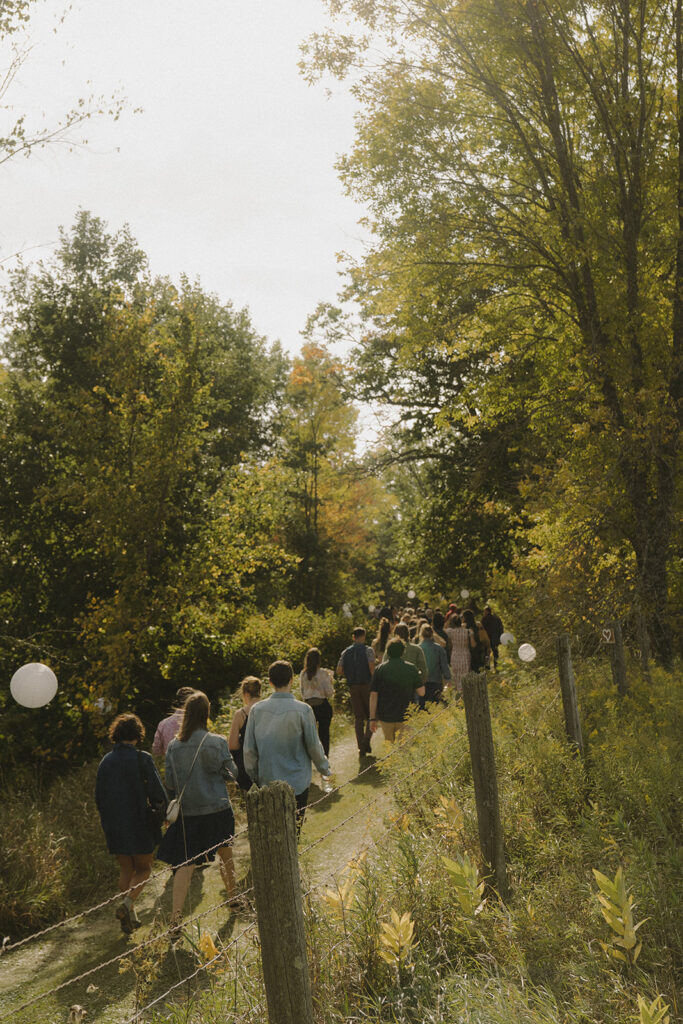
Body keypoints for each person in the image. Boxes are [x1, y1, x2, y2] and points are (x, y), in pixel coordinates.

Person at [157, 691, 240, 928]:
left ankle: (175, 918)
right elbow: (231, 774)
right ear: (206, 714)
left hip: (188, 814)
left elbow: (171, 783)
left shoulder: (173, 746)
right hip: (217, 809)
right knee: (226, 856)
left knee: (185, 865)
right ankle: (234, 900)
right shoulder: (216, 742)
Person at [95, 712, 167, 935]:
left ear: (116, 734)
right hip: (139, 820)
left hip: (114, 822)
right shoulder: (141, 758)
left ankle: (130, 918)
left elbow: (99, 796)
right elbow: (157, 792)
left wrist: (108, 820)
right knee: (144, 868)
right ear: (138, 734)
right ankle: (127, 906)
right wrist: (163, 813)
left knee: (126, 868)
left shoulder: (105, 761)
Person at [243, 660, 331, 835]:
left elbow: (249, 749)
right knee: (294, 831)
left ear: (269, 682)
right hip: (297, 781)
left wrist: (254, 775)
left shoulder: (256, 710)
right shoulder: (303, 710)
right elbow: (313, 745)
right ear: (292, 680)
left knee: (274, 832)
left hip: (267, 780)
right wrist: (324, 769)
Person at [369, 638, 425, 742]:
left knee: (390, 748)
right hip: (406, 715)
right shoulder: (411, 668)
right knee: (404, 750)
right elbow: (422, 692)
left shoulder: (379, 669)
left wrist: (372, 718)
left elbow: (373, 696)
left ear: (388, 651)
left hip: (386, 716)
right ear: (403, 651)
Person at [336, 627, 376, 756]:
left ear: (353, 637)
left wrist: (349, 673)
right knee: (371, 714)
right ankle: (366, 740)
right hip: (366, 685)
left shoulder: (345, 652)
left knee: (358, 717)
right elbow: (371, 668)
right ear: (363, 636)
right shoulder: (368, 650)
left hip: (353, 686)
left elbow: (339, 670)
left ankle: (360, 746)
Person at [299, 647, 334, 762]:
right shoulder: (323, 673)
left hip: (308, 707)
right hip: (322, 705)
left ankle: (308, 759)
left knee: (309, 736)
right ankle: (324, 759)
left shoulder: (303, 674)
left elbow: (302, 692)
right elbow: (329, 692)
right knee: (324, 734)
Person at [228, 676, 262, 791]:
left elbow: (232, 745)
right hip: (265, 761)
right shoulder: (268, 711)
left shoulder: (240, 714)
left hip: (245, 765)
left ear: (246, 694)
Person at [382, 622, 428, 690]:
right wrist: (419, 683)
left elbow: (384, 666)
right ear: (408, 634)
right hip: (411, 685)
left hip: (393, 686)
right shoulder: (417, 649)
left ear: (395, 634)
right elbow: (423, 670)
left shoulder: (390, 648)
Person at [152, 686, 195, 756]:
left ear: (177, 701)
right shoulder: (196, 723)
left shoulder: (163, 724)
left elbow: (156, 750)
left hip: (171, 765)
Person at [418, 624, 452, 703]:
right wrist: (448, 679)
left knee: (422, 708)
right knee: (435, 706)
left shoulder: (418, 648)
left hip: (421, 682)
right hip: (436, 681)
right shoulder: (439, 648)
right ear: (432, 634)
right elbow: (444, 666)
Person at [445, 613, 476, 693]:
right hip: (465, 654)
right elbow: (473, 645)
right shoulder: (468, 631)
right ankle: (465, 694)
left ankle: (458, 695)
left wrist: (448, 619)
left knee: (456, 676)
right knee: (465, 676)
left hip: (455, 655)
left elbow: (444, 628)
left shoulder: (450, 632)